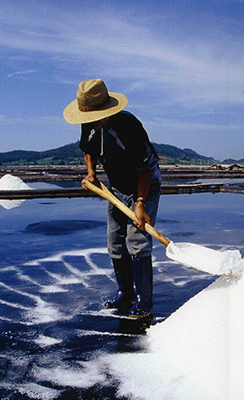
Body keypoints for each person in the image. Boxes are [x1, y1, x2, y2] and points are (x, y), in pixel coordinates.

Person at [63, 79, 161, 319]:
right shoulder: (89, 123)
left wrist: (140, 204)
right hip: (115, 187)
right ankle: (125, 292)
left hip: (143, 184)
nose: (90, 121)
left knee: (137, 240)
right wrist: (91, 174)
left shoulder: (128, 127)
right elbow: (87, 149)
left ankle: (144, 300)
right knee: (115, 242)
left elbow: (144, 171)